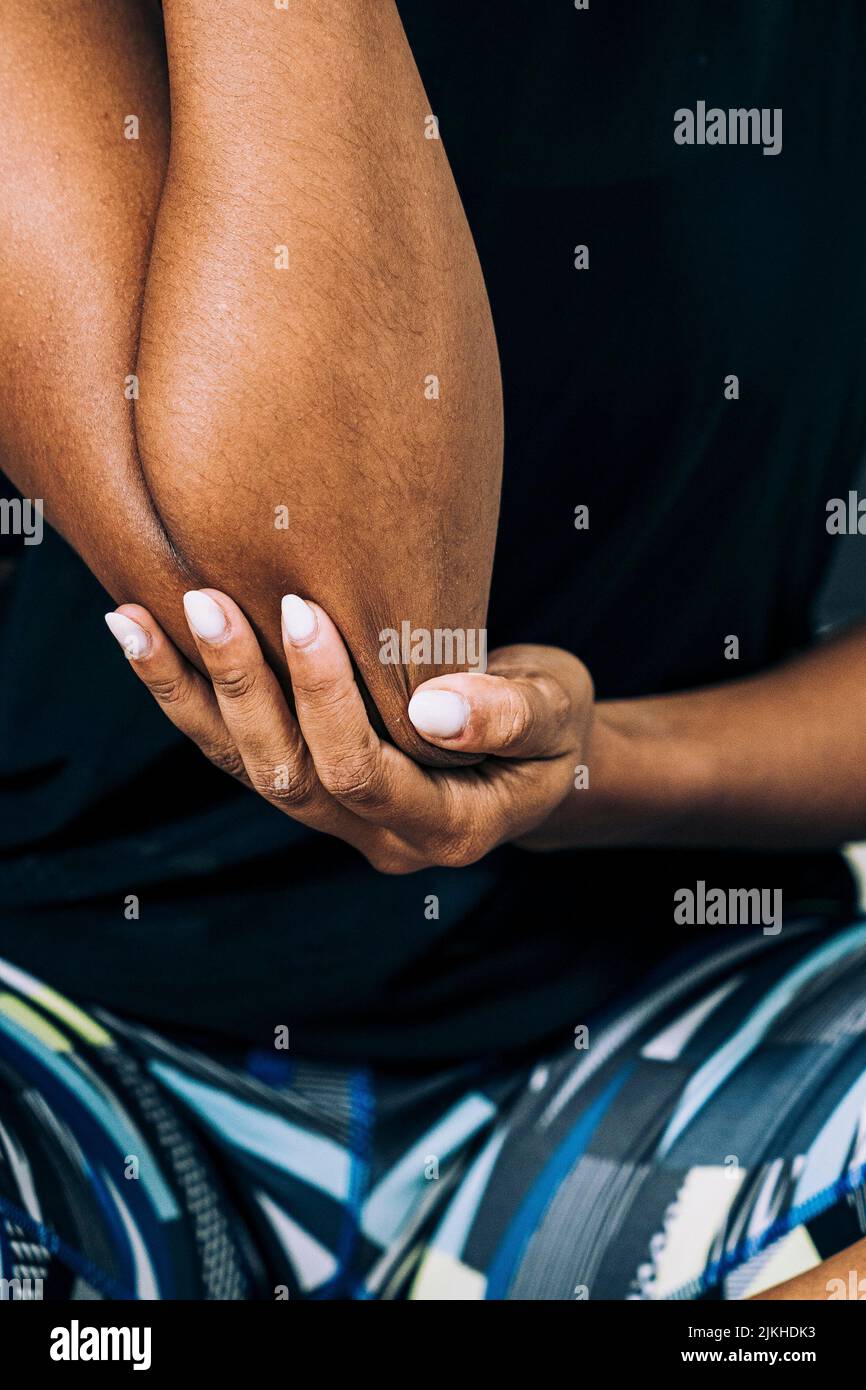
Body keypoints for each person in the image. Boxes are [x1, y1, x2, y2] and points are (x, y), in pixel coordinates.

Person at [1, 0, 866, 1300]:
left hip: (663, 1022)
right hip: (82, 1043)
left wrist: (596, 766)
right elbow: (344, 615)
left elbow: (405, 716)